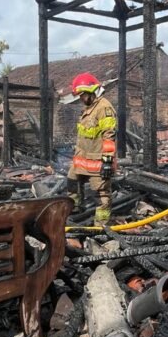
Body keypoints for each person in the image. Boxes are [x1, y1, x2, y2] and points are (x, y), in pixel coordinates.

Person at [66, 72, 117, 225]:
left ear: (91, 91)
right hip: (82, 159)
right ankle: (75, 212)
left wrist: (107, 162)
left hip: (97, 161)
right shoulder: (89, 108)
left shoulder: (104, 108)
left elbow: (109, 136)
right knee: (72, 181)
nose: (81, 98)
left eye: (82, 95)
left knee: (101, 195)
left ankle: (101, 226)